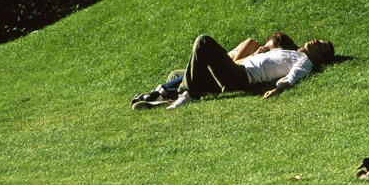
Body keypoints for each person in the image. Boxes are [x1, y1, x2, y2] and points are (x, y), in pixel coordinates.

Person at [131, 32, 299, 109]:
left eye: (268, 49)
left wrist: (254, 55)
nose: (264, 49)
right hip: (224, 72)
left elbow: (236, 64)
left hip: (230, 76)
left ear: (278, 50)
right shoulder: (257, 52)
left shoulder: (272, 60)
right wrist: (254, 54)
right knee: (176, 74)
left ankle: (168, 94)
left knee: (203, 41)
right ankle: (164, 98)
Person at [165, 34, 334, 110]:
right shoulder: (294, 52)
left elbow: (293, 76)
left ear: (319, 57)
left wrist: (278, 88)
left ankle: (188, 94)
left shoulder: (305, 62)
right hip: (237, 70)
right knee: (177, 74)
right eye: (319, 40)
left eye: (320, 45)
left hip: (241, 76)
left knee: (203, 41)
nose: (316, 41)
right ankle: (159, 96)